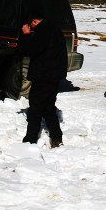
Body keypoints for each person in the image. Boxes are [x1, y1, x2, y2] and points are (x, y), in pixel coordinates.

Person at [19, 9, 68, 147]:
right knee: (48, 107)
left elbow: (31, 51)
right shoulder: (54, 29)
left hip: (43, 75)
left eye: (30, 23)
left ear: (34, 21)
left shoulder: (42, 31)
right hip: (53, 76)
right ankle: (56, 137)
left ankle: (30, 139)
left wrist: (27, 34)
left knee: (35, 108)